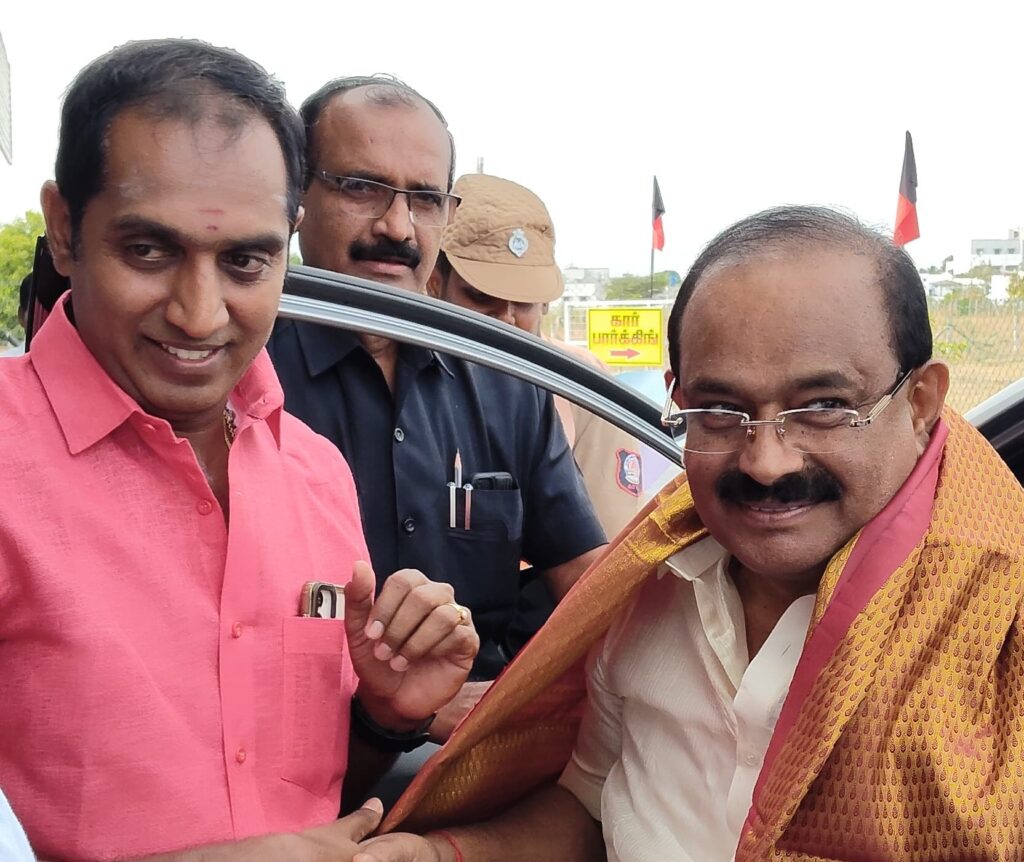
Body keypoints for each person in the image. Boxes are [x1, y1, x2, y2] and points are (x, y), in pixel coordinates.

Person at [355, 206, 1024, 862]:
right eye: (722, 411)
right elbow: (594, 805)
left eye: (823, 407)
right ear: (678, 398)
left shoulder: (1001, 626)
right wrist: (445, 853)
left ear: (920, 403)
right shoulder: (652, 579)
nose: (766, 463)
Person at [0, 39, 479, 862]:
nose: (199, 312)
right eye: (149, 251)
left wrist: (384, 713)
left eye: (245, 262)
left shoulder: (315, 475)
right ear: (66, 229)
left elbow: (304, 787)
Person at [266, 77, 606, 738]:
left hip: (471, 743)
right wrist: (407, 712)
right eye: (361, 187)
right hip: (289, 747)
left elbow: (588, 583)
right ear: (296, 197)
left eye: (423, 199)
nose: (396, 227)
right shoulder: (242, 377)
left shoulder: (509, 383)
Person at [428, 172, 645, 538]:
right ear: (435, 283)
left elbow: (604, 555)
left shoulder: (583, 387)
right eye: (482, 298)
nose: (507, 319)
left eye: (524, 302)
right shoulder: (393, 373)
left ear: (545, 302)